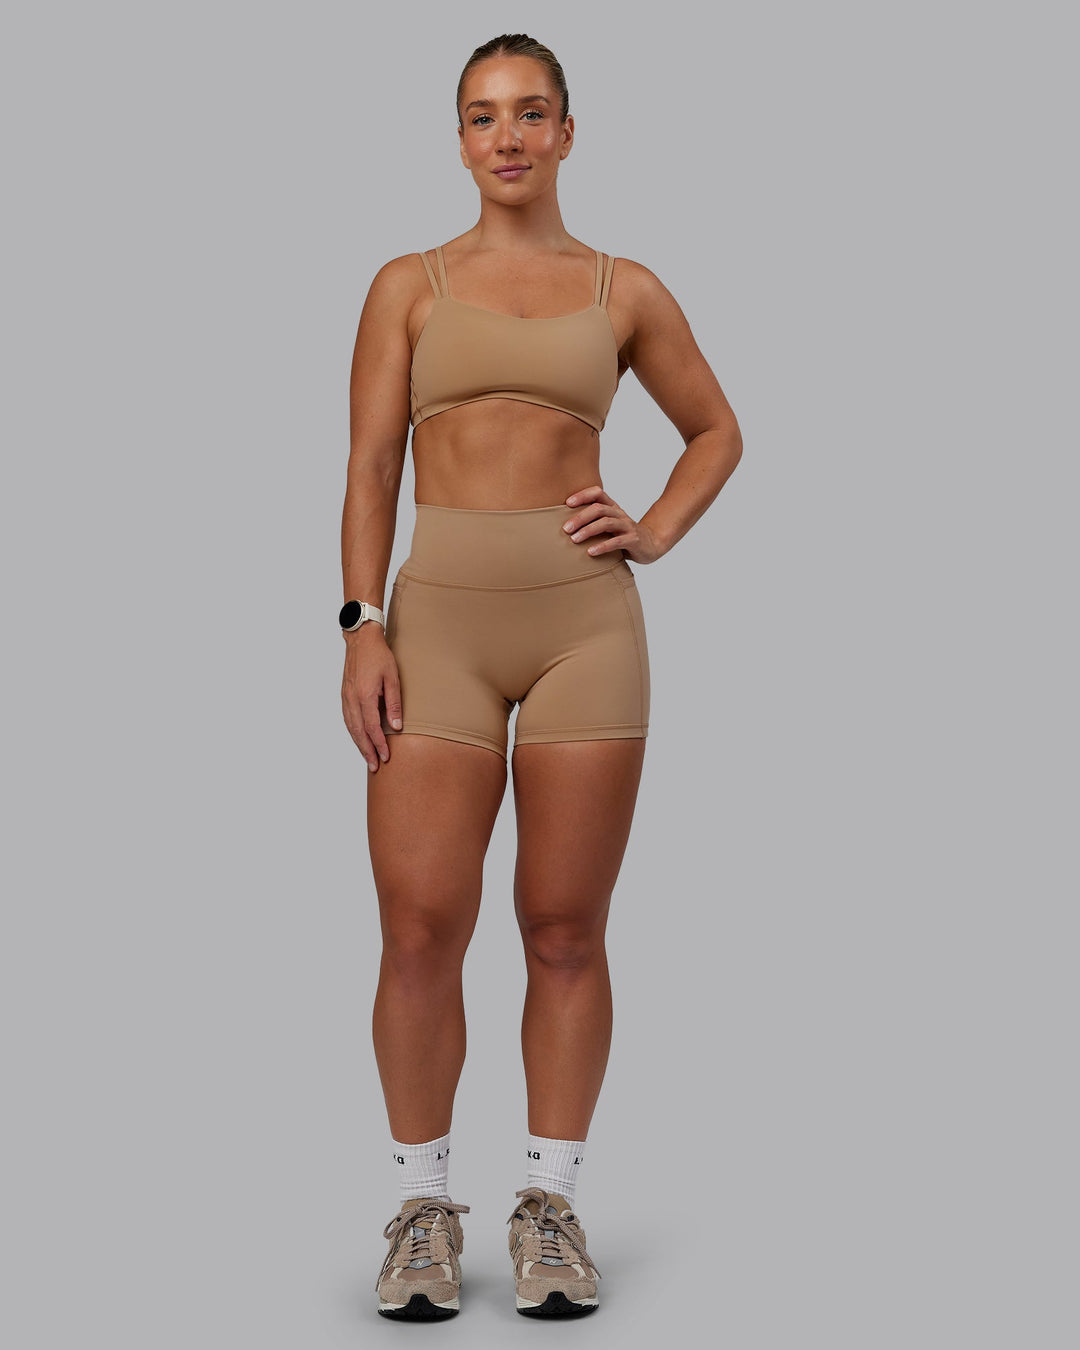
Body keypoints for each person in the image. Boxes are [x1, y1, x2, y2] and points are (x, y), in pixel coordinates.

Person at [340, 32, 742, 1320]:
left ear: (568, 131)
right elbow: (370, 467)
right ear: (458, 140)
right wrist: (360, 623)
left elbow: (716, 429)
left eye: (528, 113)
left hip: (585, 631)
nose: (505, 136)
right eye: (481, 115)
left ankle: (550, 1204)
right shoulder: (409, 285)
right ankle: (420, 1207)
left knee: (564, 928)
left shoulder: (625, 289)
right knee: (420, 923)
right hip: (437, 630)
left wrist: (655, 529)